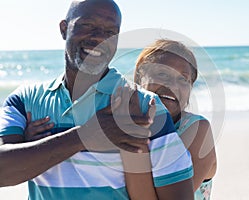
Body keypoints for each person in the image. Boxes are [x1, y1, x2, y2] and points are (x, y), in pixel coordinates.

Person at [0, 1, 195, 199]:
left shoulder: (143, 106)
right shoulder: (25, 101)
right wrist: (84, 137)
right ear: (64, 29)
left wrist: (36, 151)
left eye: (110, 32)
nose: (100, 38)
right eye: (87, 25)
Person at [126, 39, 217, 200]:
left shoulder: (197, 131)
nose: (173, 85)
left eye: (183, 79)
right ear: (139, 78)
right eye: (162, 74)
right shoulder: (120, 122)